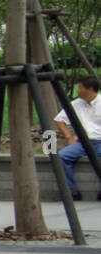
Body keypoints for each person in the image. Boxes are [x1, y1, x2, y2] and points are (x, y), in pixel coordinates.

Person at [53, 74, 101, 202]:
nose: (77, 91)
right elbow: (59, 120)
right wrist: (69, 138)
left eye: (80, 88)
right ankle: (72, 190)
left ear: (90, 89)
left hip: (100, 142)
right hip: (82, 143)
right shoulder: (76, 104)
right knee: (62, 156)